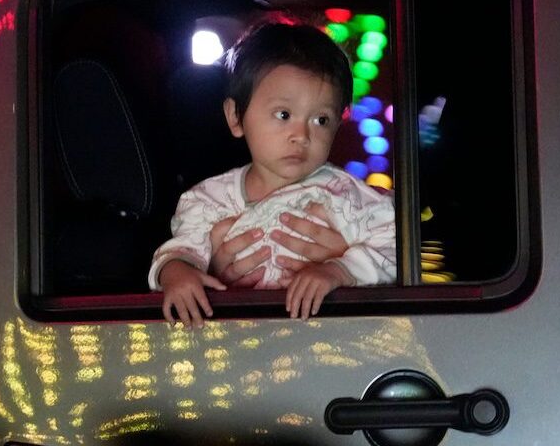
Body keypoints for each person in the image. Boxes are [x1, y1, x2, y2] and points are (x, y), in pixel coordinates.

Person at [149, 22, 395, 325]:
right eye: (284, 115)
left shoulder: (346, 195)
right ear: (236, 116)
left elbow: (396, 247)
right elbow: (180, 251)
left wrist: (340, 270)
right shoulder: (208, 199)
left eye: (320, 119)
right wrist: (178, 273)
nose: (301, 135)